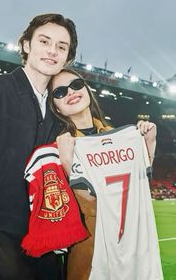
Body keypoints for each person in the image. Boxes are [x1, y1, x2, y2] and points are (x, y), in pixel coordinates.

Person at [0, 13, 78, 280]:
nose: (53, 50)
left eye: (61, 46)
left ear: (68, 57)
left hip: (46, 252)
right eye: (44, 41)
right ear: (27, 45)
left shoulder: (60, 111)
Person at [48, 68, 162, 280]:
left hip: (130, 251)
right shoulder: (55, 147)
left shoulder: (117, 135)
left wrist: (148, 146)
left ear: (87, 90)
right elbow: (88, 206)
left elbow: (137, 191)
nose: (71, 92)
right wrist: (67, 163)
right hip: (90, 253)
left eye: (76, 84)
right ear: (57, 108)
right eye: (60, 92)